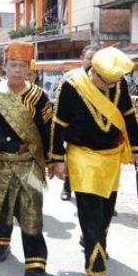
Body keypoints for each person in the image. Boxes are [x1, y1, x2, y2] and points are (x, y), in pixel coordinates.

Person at [49, 46, 138, 276]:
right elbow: (58, 123)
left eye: (116, 81)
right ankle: (95, 268)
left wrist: (136, 148)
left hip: (111, 157)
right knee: (90, 212)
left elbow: (128, 115)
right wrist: (57, 158)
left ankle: (92, 240)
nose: (112, 86)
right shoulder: (72, 85)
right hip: (82, 156)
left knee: (105, 210)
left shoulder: (118, 83)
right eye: (108, 82)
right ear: (94, 72)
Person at [0, 42, 53, 276]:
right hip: (1, 163)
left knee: (33, 211)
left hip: (30, 164)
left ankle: (35, 265)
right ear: (4, 68)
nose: (17, 70)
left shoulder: (39, 96)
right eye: (12, 65)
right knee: (3, 208)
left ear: (29, 69)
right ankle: (2, 244)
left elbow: (48, 129)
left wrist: (51, 161)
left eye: (22, 66)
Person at [57, 44, 100, 202]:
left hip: (99, 130)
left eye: (97, 59)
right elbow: (60, 103)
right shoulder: (71, 77)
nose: (93, 62)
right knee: (73, 162)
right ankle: (67, 188)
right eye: (89, 58)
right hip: (75, 128)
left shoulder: (108, 78)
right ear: (82, 59)